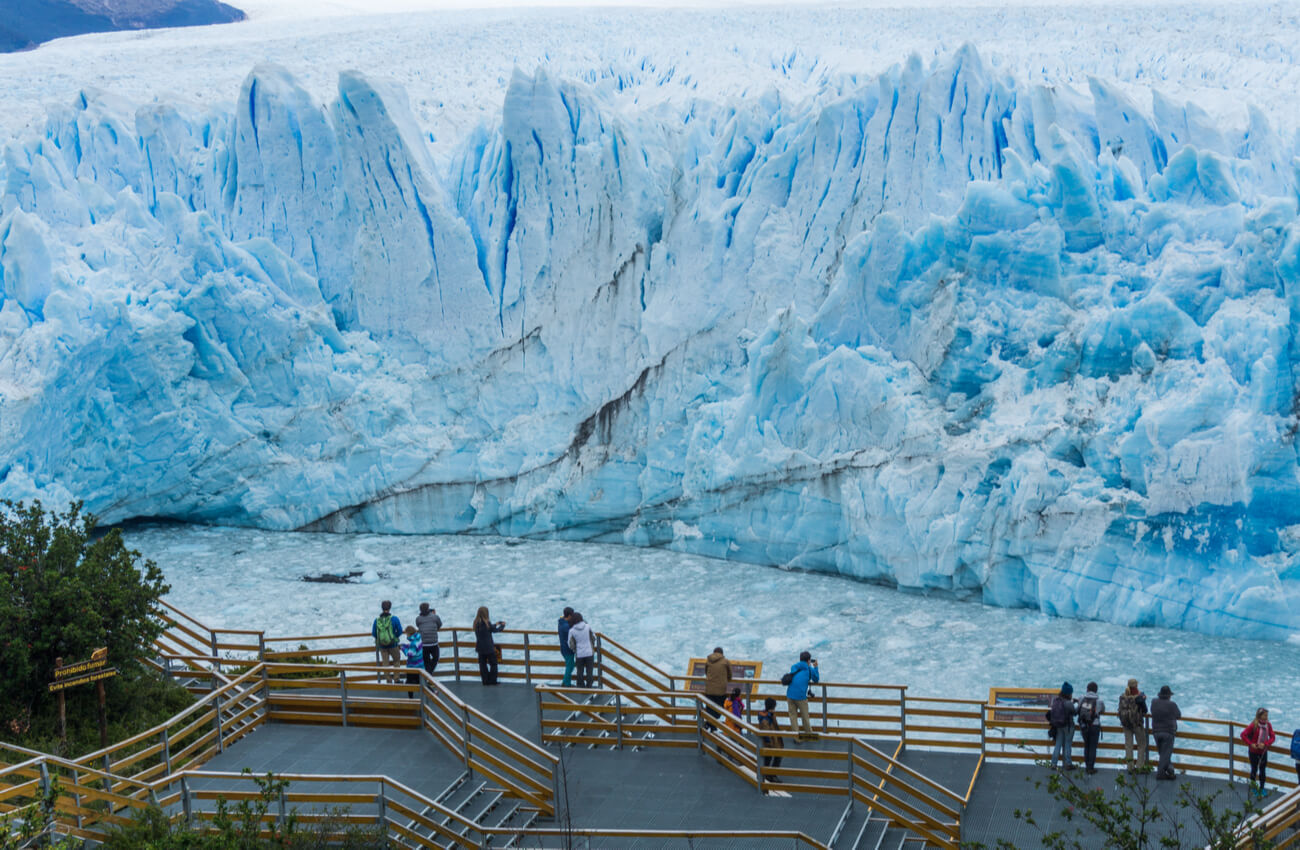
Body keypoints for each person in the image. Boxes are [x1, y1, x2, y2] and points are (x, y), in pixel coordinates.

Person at [1240, 707, 1276, 797]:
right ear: (1260, 716)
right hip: (1253, 752)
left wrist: (1265, 744)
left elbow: (1272, 737)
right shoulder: (1254, 725)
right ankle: (1253, 788)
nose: (1267, 717)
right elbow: (1243, 734)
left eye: (1267, 715)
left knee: (1263, 770)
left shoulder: (1268, 725)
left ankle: (1262, 788)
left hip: (1263, 752)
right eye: (1265, 715)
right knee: (1254, 769)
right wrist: (1251, 744)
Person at [785, 651, 820, 741]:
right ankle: (809, 735)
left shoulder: (794, 667)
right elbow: (816, 679)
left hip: (789, 694)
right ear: (808, 661)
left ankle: (796, 737)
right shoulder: (809, 669)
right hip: (800, 696)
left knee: (793, 716)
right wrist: (815, 667)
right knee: (805, 716)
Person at [1117, 678, 1149, 773]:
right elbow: (1145, 710)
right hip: (1137, 724)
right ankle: (1139, 767)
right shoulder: (1139, 698)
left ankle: (1130, 767)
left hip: (1126, 724)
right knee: (1141, 745)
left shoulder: (1122, 697)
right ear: (1136, 686)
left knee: (1128, 746)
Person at [1150, 684, 1181, 780]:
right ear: (1169, 695)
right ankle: (1160, 774)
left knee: (1163, 753)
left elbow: (1151, 711)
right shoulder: (1172, 705)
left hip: (1156, 731)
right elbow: (1178, 715)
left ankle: (1170, 771)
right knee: (1166, 754)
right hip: (1168, 732)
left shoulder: (1154, 702)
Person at [1048, 682, 1078, 770]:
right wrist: (1078, 705)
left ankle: (1053, 763)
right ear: (1069, 693)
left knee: (1058, 744)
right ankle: (1068, 763)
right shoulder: (1068, 703)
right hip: (1068, 726)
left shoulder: (1056, 700)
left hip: (1058, 725)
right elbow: (1074, 713)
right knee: (1067, 744)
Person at [1077, 682, 1106, 774]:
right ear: (1096, 690)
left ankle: (1086, 766)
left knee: (1087, 745)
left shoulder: (1081, 698)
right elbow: (1103, 710)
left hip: (1084, 725)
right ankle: (1090, 767)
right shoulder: (1099, 701)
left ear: (1087, 689)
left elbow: (1078, 709)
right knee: (1093, 747)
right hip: (1095, 725)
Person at [473, 606, 506, 685]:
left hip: (480, 647)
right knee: (493, 664)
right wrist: (502, 625)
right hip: (488, 647)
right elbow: (496, 630)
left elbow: (490, 628)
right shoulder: (487, 623)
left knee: (482, 664)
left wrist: (496, 624)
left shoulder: (476, 623)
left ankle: (485, 680)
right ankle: (492, 680)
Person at [371, 601, 402, 684]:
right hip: (393, 644)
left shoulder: (377, 620)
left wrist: (381, 639)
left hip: (382, 646)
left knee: (385, 663)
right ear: (390, 608)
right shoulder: (394, 619)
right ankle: (396, 679)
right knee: (396, 660)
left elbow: (374, 633)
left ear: (382, 608)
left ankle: (388, 680)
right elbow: (400, 630)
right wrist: (394, 637)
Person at [756, 697, 785, 784]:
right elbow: (766, 732)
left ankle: (767, 774)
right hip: (771, 742)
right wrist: (769, 742)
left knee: (770, 758)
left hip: (774, 740)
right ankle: (770, 775)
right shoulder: (766, 718)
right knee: (774, 758)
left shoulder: (770, 715)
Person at [703, 647, 732, 731]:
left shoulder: (708, 660)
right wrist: (727, 680)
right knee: (719, 709)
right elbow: (730, 674)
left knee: (710, 709)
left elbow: (706, 672)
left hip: (709, 689)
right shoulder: (725, 661)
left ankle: (711, 726)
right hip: (721, 690)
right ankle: (710, 725)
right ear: (722, 654)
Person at [567, 612, 595, 688]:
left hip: (579, 653)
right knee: (589, 670)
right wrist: (592, 646)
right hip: (589, 652)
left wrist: (575, 650)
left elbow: (570, 643)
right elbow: (593, 637)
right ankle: (589, 685)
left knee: (580, 671)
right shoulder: (587, 626)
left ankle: (580, 686)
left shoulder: (572, 630)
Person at [415, 603, 442, 675]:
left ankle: (428, 675)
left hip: (424, 644)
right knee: (436, 658)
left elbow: (418, 625)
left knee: (426, 661)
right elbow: (439, 625)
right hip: (434, 643)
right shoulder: (435, 617)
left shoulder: (418, 619)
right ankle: (429, 674)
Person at [400, 625, 423, 697]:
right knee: (420, 681)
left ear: (409, 633)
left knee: (409, 683)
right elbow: (413, 648)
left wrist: (402, 648)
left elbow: (410, 654)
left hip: (413, 666)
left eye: (406, 634)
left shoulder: (413, 643)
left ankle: (411, 700)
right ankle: (432, 691)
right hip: (420, 664)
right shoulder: (418, 639)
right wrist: (405, 645)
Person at [557, 607, 575, 687]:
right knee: (570, 666)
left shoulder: (561, 622)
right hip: (567, 649)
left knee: (570, 665)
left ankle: (566, 682)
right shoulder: (566, 627)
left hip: (563, 648)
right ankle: (566, 683)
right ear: (569, 616)